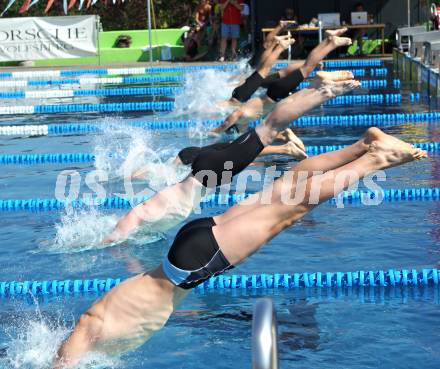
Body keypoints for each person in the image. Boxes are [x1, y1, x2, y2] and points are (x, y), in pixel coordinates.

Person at [53, 125, 427, 367]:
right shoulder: (97, 327)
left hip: (193, 263)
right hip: (190, 246)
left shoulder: (92, 330)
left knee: (291, 207)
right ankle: (364, 144)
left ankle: (378, 157)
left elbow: (84, 329)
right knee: (285, 190)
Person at [101, 72, 359, 245]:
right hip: (208, 168)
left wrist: (108, 241)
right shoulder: (147, 220)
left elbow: (131, 218)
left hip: (210, 172)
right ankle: (319, 89)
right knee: (266, 131)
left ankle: (320, 89)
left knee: (268, 128)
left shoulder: (139, 215)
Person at [213, 29, 353, 134]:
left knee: (307, 67)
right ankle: (328, 41)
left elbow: (227, 122)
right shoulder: (242, 123)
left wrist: (215, 132)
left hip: (276, 93)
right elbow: (242, 134)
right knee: (305, 67)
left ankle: (331, 43)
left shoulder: (238, 115)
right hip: (274, 94)